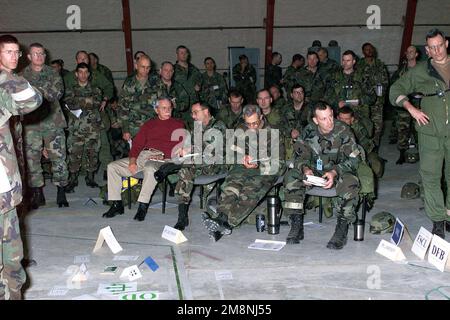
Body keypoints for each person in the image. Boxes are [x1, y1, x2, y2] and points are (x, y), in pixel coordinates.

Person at [390, 28, 450, 239]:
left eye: (440, 45)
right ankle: (438, 221)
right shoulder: (420, 71)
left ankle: (449, 215)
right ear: (427, 50)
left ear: (446, 44)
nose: (437, 50)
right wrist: (411, 108)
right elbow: (395, 90)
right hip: (430, 134)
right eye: (432, 47)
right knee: (431, 177)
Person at [283, 102, 361, 249]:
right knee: (291, 177)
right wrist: (306, 170)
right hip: (315, 170)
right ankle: (296, 224)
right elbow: (299, 156)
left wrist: (334, 171)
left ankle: (341, 229)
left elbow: (354, 160)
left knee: (351, 183)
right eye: (324, 118)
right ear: (315, 120)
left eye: (331, 116)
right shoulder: (309, 131)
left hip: (339, 170)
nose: (329, 121)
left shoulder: (344, 131)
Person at [0, 34, 43, 300]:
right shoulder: (6, 83)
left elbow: (32, 102)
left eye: (17, 52)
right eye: (8, 52)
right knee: (10, 249)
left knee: (11, 249)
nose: (14, 57)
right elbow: (34, 100)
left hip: (5, 177)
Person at [202, 104, 284, 241]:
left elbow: (279, 164)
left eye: (255, 123)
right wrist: (242, 159)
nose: (251, 127)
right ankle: (221, 217)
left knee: (248, 193)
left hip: (265, 171)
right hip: (243, 167)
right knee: (230, 188)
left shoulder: (273, 134)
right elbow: (230, 154)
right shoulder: (240, 130)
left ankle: (227, 224)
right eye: (248, 124)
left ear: (261, 118)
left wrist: (259, 163)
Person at [102, 97, 185, 221]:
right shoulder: (149, 124)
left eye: (169, 108)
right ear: (156, 110)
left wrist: (163, 155)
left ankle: (143, 206)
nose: (168, 110)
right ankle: (116, 204)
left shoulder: (178, 124)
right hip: (144, 155)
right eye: (164, 108)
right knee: (112, 167)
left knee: (150, 168)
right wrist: (132, 160)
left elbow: (180, 147)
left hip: (163, 158)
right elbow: (137, 145)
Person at [21, 42, 69, 208]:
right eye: (35, 54)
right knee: (32, 158)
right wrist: (41, 91)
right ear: (29, 56)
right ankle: (37, 192)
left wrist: (33, 91)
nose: (39, 57)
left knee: (59, 157)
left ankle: (61, 191)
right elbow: (20, 98)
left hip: (52, 122)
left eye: (41, 53)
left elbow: (56, 93)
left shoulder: (53, 73)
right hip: (31, 124)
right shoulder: (22, 75)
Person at [173, 102, 227, 230]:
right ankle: (182, 216)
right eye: (192, 113)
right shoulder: (197, 127)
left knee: (187, 165)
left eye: (195, 112)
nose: (193, 116)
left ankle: (170, 168)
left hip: (217, 164)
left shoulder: (219, 126)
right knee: (186, 171)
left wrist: (190, 149)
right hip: (199, 163)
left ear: (206, 112)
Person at [64, 63, 105, 192]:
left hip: (92, 127)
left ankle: (90, 178)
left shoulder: (96, 89)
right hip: (76, 128)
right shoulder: (69, 89)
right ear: (76, 74)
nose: (83, 75)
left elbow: (96, 102)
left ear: (89, 74)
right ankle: (73, 179)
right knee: (74, 153)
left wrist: (79, 101)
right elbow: (68, 102)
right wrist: (87, 101)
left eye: (85, 72)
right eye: (80, 72)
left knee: (92, 153)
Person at [330, 49, 376, 136]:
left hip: (358, 116)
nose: (345, 63)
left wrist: (359, 101)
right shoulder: (334, 77)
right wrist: (336, 103)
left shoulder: (362, 77)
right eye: (343, 60)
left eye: (348, 60)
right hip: (340, 116)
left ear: (354, 61)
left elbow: (372, 97)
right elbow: (327, 96)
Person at [389, 46, 419, 164]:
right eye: (407, 52)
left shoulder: (422, 69)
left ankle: (421, 152)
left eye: (412, 51)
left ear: (416, 54)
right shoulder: (401, 71)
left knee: (420, 130)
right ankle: (402, 153)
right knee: (403, 130)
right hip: (404, 106)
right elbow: (394, 86)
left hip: (419, 105)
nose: (409, 53)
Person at [357, 42, 389, 148]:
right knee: (363, 126)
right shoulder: (358, 65)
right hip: (364, 102)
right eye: (367, 49)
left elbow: (385, 82)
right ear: (363, 51)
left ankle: (375, 150)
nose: (369, 51)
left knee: (377, 127)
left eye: (371, 49)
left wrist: (380, 93)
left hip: (377, 102)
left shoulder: (380, 65)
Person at [337, 106, 384, 179]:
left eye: (346, 119)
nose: (343, 122)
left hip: (362, 153)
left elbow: (362, 148)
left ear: (352, 119)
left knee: (376, 170)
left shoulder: (358, 129)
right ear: (338, 118)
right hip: (341, 155)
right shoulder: (333, 128)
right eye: (341, 119)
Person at [118, 54, 157, 141]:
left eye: (148, 67)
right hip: (134, 128)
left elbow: (162, 104)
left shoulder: (156, 83)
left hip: (153, 126)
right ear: (136, 66)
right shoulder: (129, 84)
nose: (145, 70)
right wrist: (125, 130)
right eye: (142, 67)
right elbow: (123, 108)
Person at [173, 45, 202, 121]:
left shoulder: (194, 69)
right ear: (177, 55)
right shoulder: (172, 70)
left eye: (185, 53)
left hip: (194, 104)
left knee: (197, 128)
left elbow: (200, 79)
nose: (184, 55)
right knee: (180, 130)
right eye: (181, 53)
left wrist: (199, 85)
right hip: (181, 106)